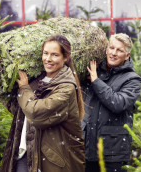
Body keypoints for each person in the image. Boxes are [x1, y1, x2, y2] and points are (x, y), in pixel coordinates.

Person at [11, 34, 85, 172]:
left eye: (54, 55)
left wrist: (24, 89)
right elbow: (19, 110)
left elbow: (35, 114)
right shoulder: (38, 80)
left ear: (65, 57)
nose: (48, 59)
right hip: (27, 152)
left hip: (52, 161)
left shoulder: (66, 88)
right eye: (45, 53)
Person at [82, 33, 141, 172]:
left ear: (127, 55)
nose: (113, 53)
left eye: (119, 50)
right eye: (111, 48)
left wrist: (96, 81)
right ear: (106, 49)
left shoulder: (132, 79)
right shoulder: (94, 71)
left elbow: (118, 103)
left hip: (113, 153)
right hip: (88, 150)